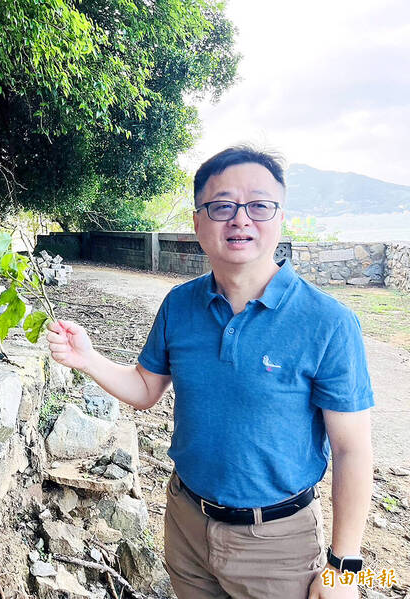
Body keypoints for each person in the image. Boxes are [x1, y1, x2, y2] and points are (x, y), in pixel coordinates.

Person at [46, 146, 373, 599]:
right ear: (199, 222)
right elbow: (145, 389)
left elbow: (352, 450)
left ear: (280, 218)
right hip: (186, 522)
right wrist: (87, 358)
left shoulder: (328, 322)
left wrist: (345, 570)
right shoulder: (179, 304)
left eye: (259, 205)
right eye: (221, 206)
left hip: (277, 544)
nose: (240, 219)